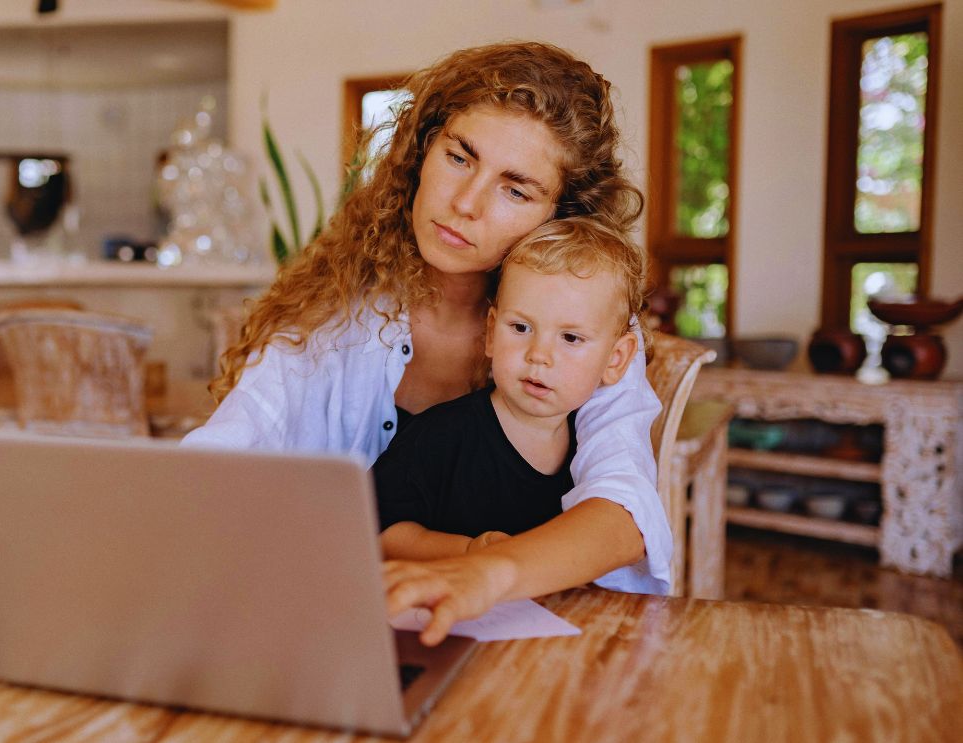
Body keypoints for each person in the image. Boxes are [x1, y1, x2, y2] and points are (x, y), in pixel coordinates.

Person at [182, 41, 671, 632]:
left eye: (516, 189)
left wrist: (485, 572)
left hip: (550, 635)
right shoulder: (328, 314)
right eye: (460, 158)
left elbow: (624, 511)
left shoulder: (580, 335)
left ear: (560, 215)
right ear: (421, 151)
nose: (465, 203)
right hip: (349, 626)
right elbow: (227, 449)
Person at [374, 217, 646, 631]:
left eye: (570, 338)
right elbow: (384, 535)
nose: (539, 355)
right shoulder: (438, 437)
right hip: (441, 632)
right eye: (520, 328)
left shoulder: (591, 455)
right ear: (490, 333)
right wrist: (469, 552)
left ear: (616, 359)